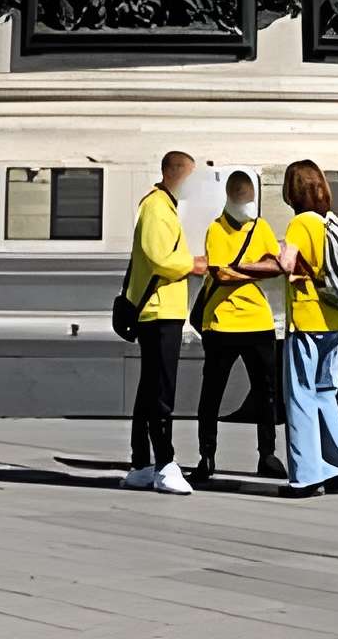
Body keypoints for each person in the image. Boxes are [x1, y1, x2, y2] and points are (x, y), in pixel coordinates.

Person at [275, 160, 338, 498]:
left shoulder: (301, 223)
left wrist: (278, 254)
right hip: (335, 319)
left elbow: (287, 264)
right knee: (325, 393)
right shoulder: (332, 222)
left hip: (306, 318)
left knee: (298, 395)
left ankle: (307, 476)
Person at [121, 151, 206, 494]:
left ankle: (141, 462)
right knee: (161, 391)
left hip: (162, 309)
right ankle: (164, 464)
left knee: (150, 388)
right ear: (178, 174)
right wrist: (192, 264)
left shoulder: (163, 205)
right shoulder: (157, 206)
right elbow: (159, 257)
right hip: (159, 310)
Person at [194, 169, 287, 484]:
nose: (248, 206)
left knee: (267, 393)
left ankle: (268, 454)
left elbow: (277, 265)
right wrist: (254, 270)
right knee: (212, 393)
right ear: (232, 199)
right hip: (221, 322)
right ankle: (207, 454)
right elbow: (220, 275)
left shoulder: (260, 226)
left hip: (258, 322)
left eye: (251, 201)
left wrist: (241, 269)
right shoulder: (216, 230)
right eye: (244, 200)